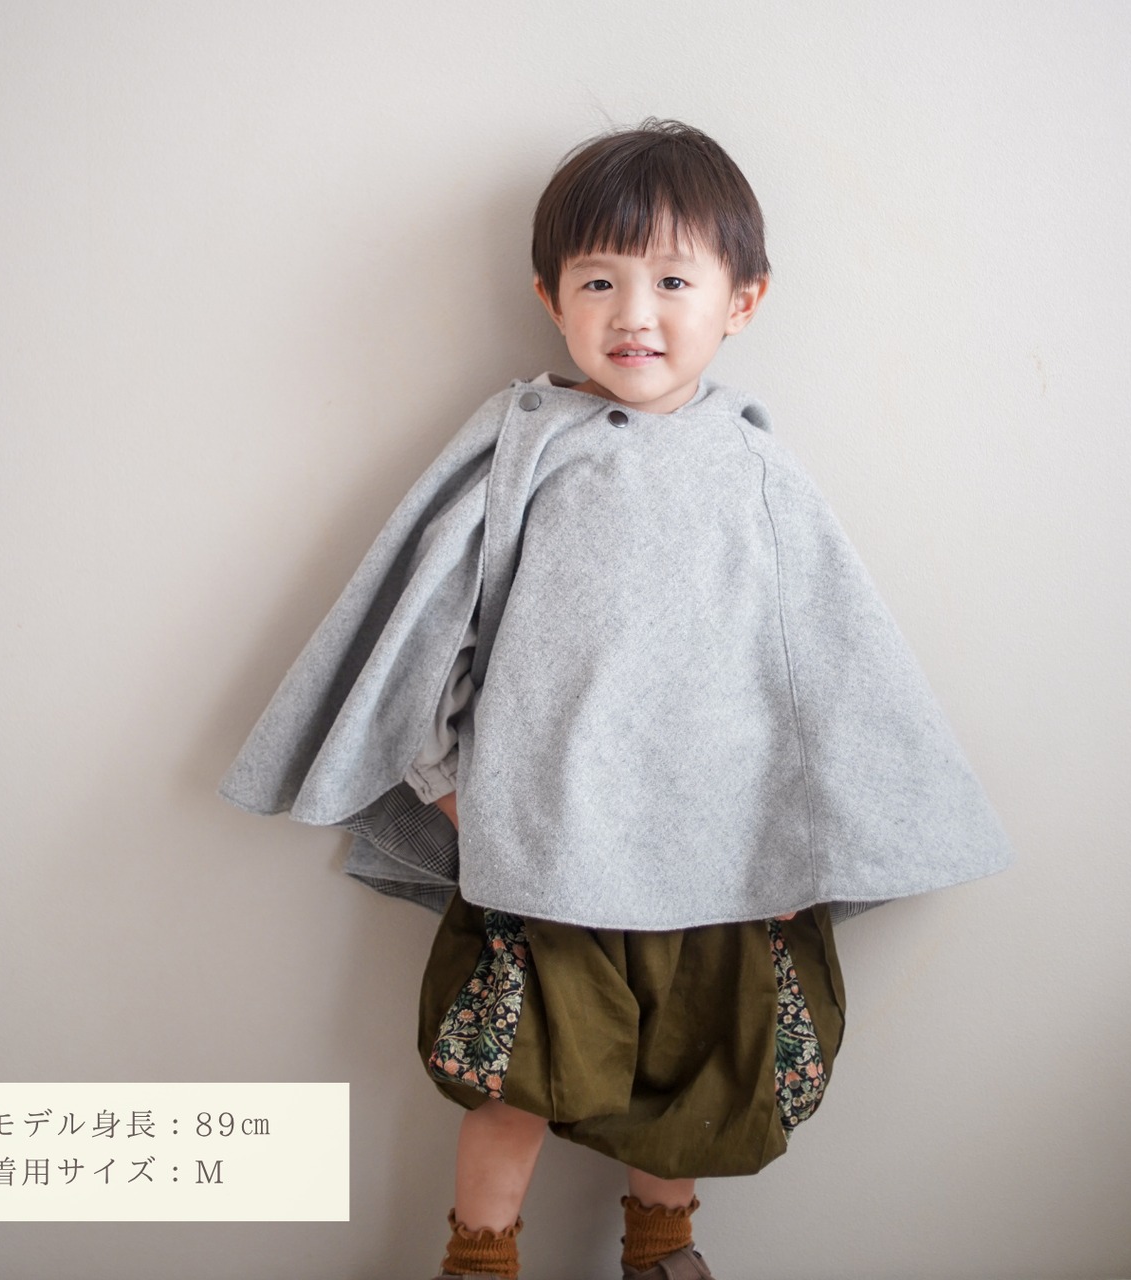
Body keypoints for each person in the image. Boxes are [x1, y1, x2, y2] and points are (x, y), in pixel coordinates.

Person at [220, 120, 1012, 1280]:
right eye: (598, 281)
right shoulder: (523, 448)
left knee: (689, 1072)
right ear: (550, 295)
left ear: (741, 300)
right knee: (516, 1077)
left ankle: (660, 1244)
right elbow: (431, 631)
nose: (634, 313)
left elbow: (826, 665)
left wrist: (817, 832)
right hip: (549, 846)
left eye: (673, 281)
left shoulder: (756, 469)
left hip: (720, 857)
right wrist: (447, 787)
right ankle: (478, 1256)